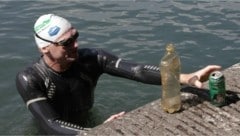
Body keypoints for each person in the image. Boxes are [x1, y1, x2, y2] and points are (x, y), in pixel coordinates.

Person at [16, 14, 221, 135]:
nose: (76, 45)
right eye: (66, 43)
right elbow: (50, 124)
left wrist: (185, 78)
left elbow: (137, 70)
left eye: (75, 37)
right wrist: (95, 132)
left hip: (88, 120)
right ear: (45, 48)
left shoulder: (91, 58)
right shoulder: (30, 78)